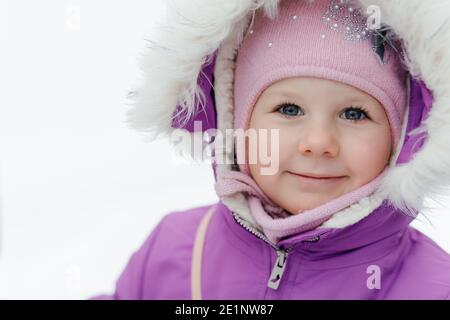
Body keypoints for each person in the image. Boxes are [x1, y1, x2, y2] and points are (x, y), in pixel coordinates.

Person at [91, 0, 450, 299]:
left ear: (403, 136)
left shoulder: (430, 287)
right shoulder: (177, 251)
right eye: (289, 109)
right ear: (238, 123)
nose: (318, 143)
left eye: (354, 113)